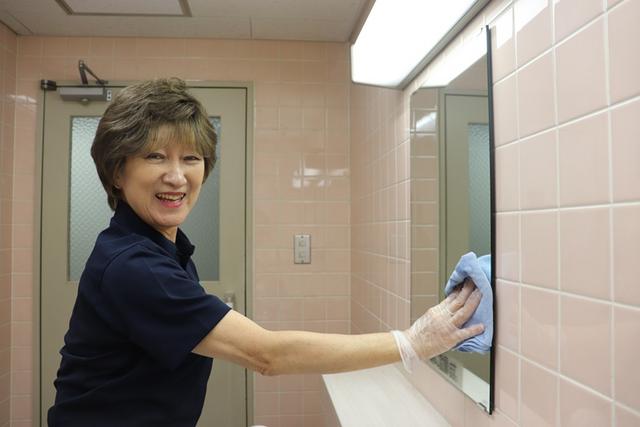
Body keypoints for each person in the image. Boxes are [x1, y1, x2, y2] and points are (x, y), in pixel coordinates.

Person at [48, 78, 484, 426]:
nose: (177, 177)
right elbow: (267, 354)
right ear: (118, 172)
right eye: (156, 156)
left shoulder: (162, 248)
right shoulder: (133, 266)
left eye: (192, 158)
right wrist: (411, 342)